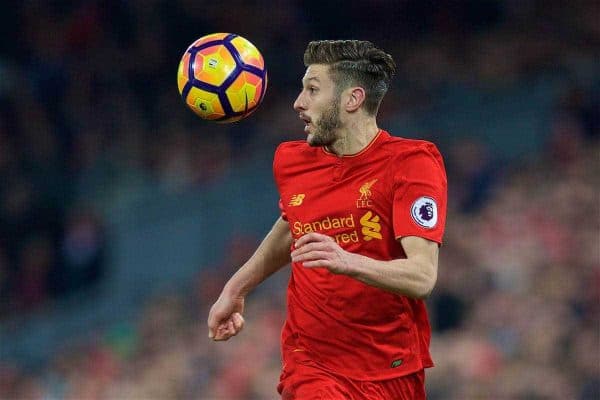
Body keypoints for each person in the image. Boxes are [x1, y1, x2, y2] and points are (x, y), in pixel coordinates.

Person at [207, 39, 447, 399]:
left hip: (391, 368)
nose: (298, 102)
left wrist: (347, 261)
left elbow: (422, 276)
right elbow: (294, 224)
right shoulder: (291, 161)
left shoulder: (411, 164)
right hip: (312, 363)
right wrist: (236, 287)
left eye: (312, 90)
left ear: (352, 100)